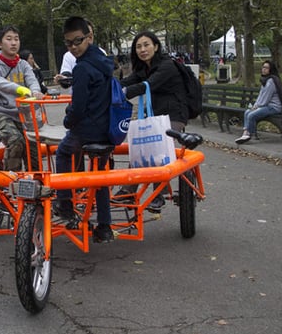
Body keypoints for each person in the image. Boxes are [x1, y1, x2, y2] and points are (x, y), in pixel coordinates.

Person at [53, 16, 114, 243]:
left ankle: (65, 203)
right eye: (68, 44)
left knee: (63, 152)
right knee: (99, 177)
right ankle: (105, 226)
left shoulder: (81, 69)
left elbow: (78, 107)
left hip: (86, 130)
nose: (73, 47)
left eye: (77, 41)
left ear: (88, 37)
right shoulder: (104, 60)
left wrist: (68, 121)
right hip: (106, 129)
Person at [112, 31, 188, 212]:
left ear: (156, 46)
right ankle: (128, 192)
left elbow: (148, 85)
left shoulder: (167, 66)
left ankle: (158, 195)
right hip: (154, 116)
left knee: (157, 142)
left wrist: (122, 93)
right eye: (138, 46)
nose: (142, 49)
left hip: (174, 116)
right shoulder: (143, 68)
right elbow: (126, 82)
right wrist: (107, 87)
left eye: (146, 45)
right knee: (139, 145)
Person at [0, 26, 43, 171]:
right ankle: (11, 180)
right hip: (2, 114)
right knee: (16, 141)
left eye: (16, 39)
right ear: (0, 44)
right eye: (9, 39)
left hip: (23, 115)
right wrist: (19, 88)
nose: (13, 43)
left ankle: (37, 181)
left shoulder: (23, 64)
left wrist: (35, 91)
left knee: (34, 145)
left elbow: (32, 80)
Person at [235, 60, 282, 145]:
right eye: (263, 67)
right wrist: (255, 105)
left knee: (252, 115)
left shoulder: (271, 81)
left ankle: (249, 134)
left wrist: (258, 106)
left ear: (271, 69)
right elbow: (261, 95)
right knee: (247, 112)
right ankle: (245, 133)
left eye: (266, 68)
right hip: (266, 106)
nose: (264, 69)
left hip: (274, 107)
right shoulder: (265, 80)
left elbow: (266, 97)